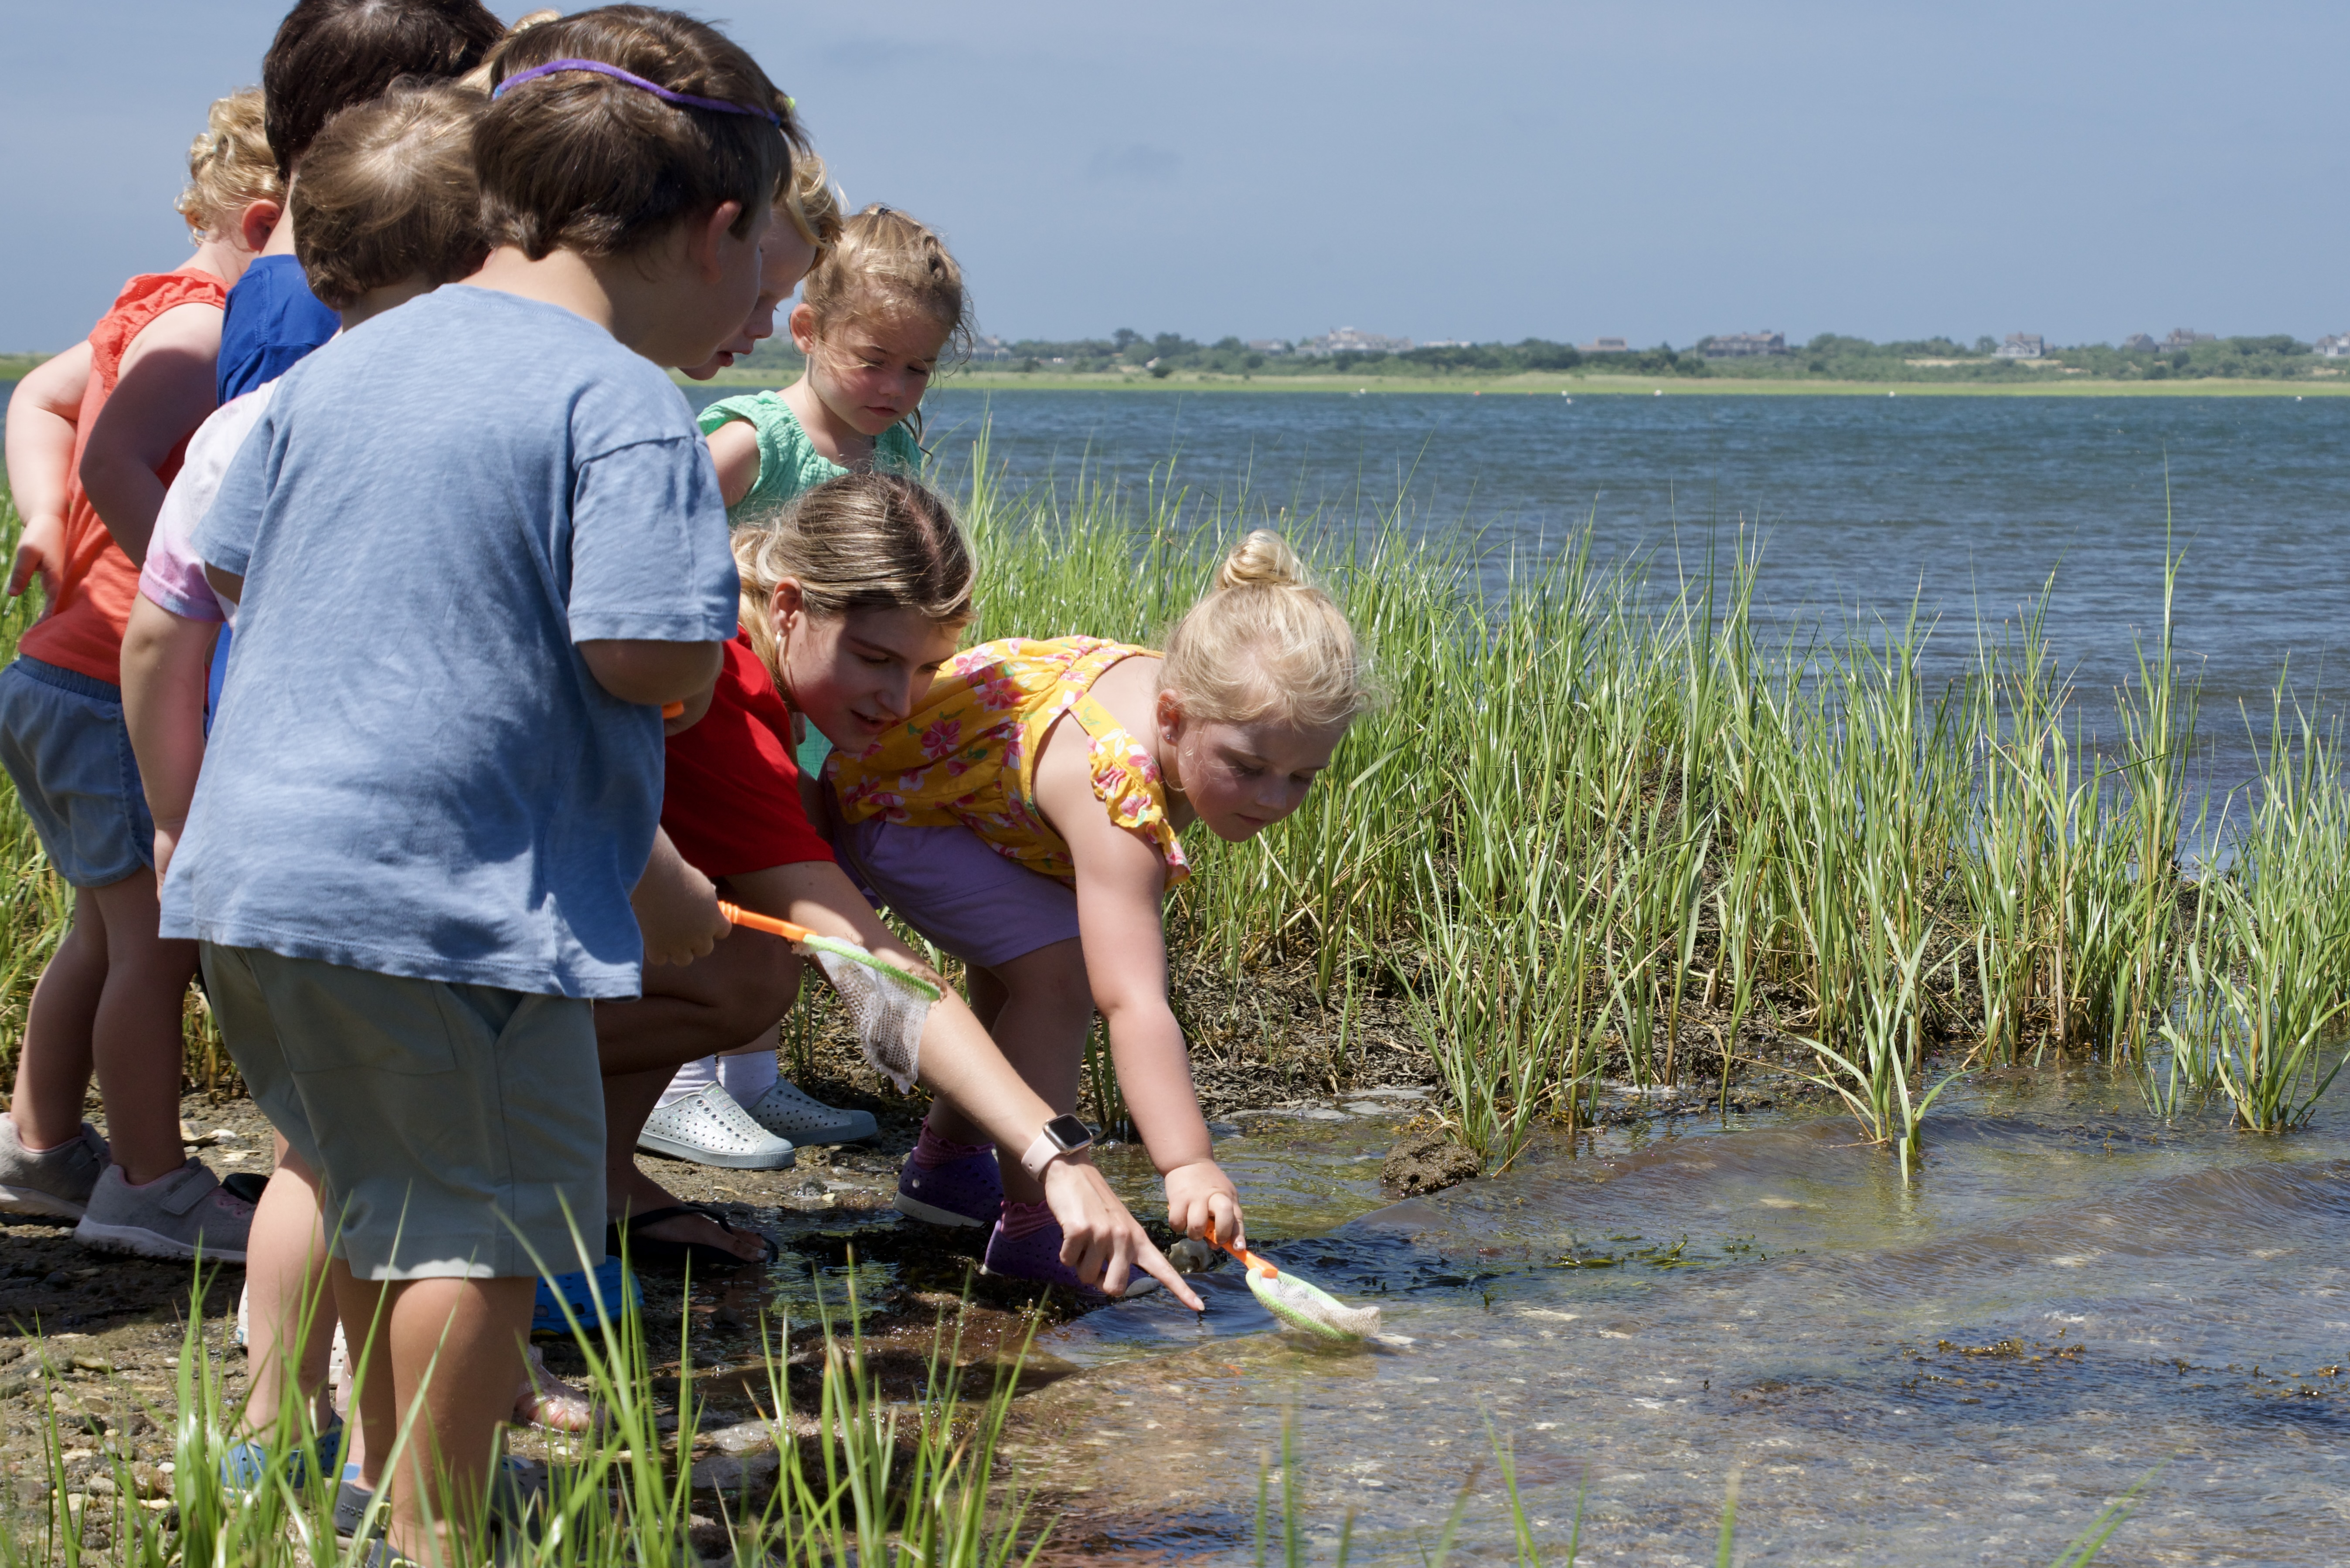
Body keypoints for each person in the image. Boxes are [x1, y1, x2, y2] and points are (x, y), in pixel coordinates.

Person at [171, 15, 1186, 1561]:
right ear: (713, 230)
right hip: (442, 905)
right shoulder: (624, 404)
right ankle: (432, 1534)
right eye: (773, 284)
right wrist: (694, 654)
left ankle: (368, 1473)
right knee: (482, 1227)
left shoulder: (350, 362)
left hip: (253, 887)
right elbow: (639, 655)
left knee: (381, 1188)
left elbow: (239, 589)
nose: (759, 311)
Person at [123, 79, 549, 1510]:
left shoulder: (247, 428)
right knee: (433, 1193)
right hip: (414, 864)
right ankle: (394, 1476)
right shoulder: (483, 435)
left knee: (312, 1147)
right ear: (495, 258)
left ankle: (263, 1426)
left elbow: (156, 634)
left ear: (309, 261)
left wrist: (180, 813)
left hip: (252, 853)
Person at [833, 533, 1376, 1286]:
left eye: (1302, 778)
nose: (1273, 799)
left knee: (1015, 972)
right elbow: (1133, 1000)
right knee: (1058, 975)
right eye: (1248, 768)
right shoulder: (1118, 789)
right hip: (896, 807)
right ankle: (1033, 1226)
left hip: (969, 806)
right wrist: (1188, 1161)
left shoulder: (1190, 705)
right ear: (1174, 717)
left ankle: (947, 1171)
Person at [0, 88, 280, 1258]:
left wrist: (41, 525)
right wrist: (205, 593)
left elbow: (42, 399)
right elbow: (112, 449)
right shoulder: (210, 322)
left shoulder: (139, 304)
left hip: (49, 674)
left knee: (103, 932)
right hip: (113, 678)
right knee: (154, 943)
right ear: (270, 223)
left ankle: (43, 1143)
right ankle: (150, 1184)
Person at [631, 148, 875, 1184]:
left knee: (782, 870)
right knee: (723, 878)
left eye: (920, 367)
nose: (897, 387)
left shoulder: (882, 446)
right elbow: (668, 533)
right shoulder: (752, 433)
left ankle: (748, 1072)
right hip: (716, 680)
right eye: (765, 290)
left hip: (789, 693)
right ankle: (681, 1089)